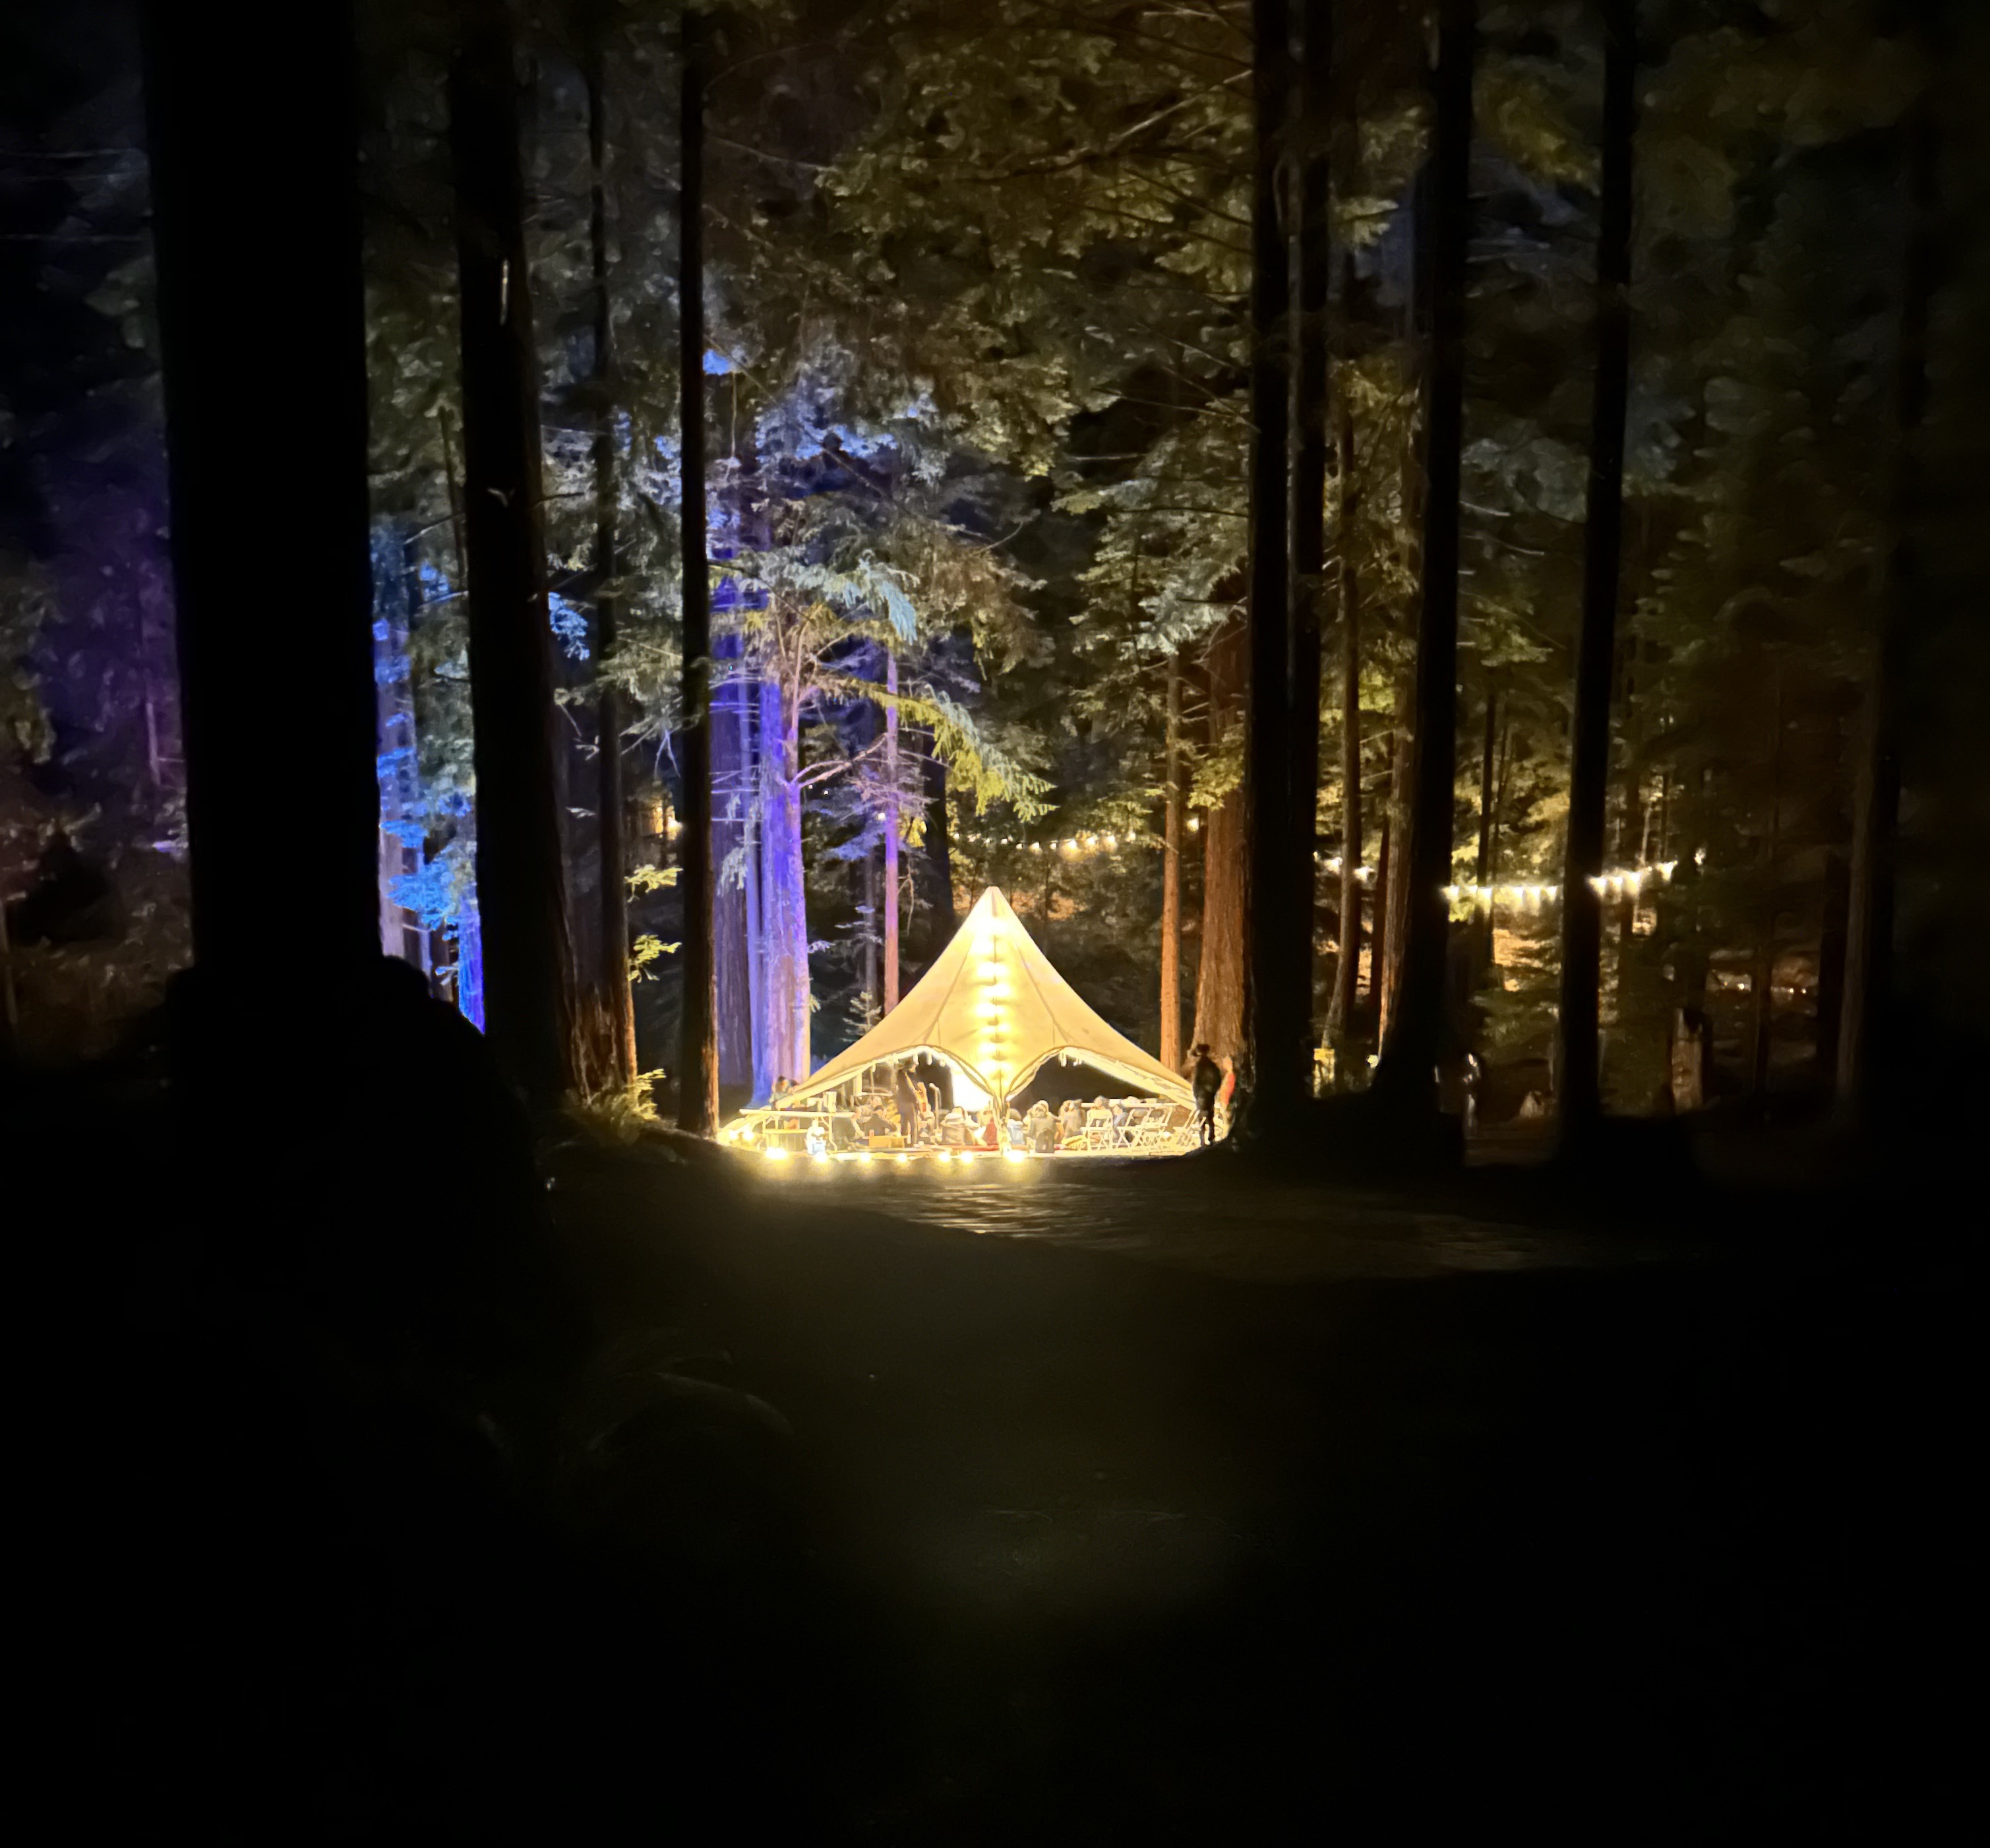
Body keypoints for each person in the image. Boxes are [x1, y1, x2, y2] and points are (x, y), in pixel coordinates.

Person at [1190, 1043, 1222, 1146]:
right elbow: (1218, 1079)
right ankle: (1211, 1137)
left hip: (1201, 1094)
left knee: (1202, 1117)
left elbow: (1197, 1081)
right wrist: (1214, 1090)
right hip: (1210, 1093)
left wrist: (1196, 1093)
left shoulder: (1200, 1065)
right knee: (1210, 1116)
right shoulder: (1212, 1065)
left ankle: (1203, 1139)